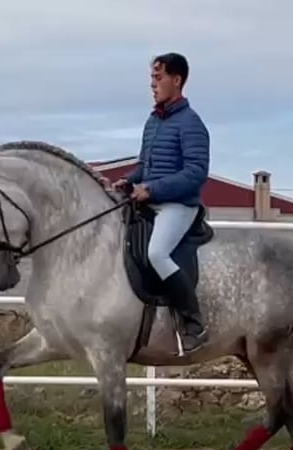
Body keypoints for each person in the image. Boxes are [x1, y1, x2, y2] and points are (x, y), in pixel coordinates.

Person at [113, 52, 210, 354]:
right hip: (153, 201)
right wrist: (130, 180)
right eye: (151, 79)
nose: (152, 85)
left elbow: (196, 173)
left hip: (178, 206)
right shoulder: (153, 121)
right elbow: (147, 165)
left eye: (158, 78)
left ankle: (194, 323)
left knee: (157, 253)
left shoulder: (191, 124)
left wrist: (152, 190)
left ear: (176, 80)